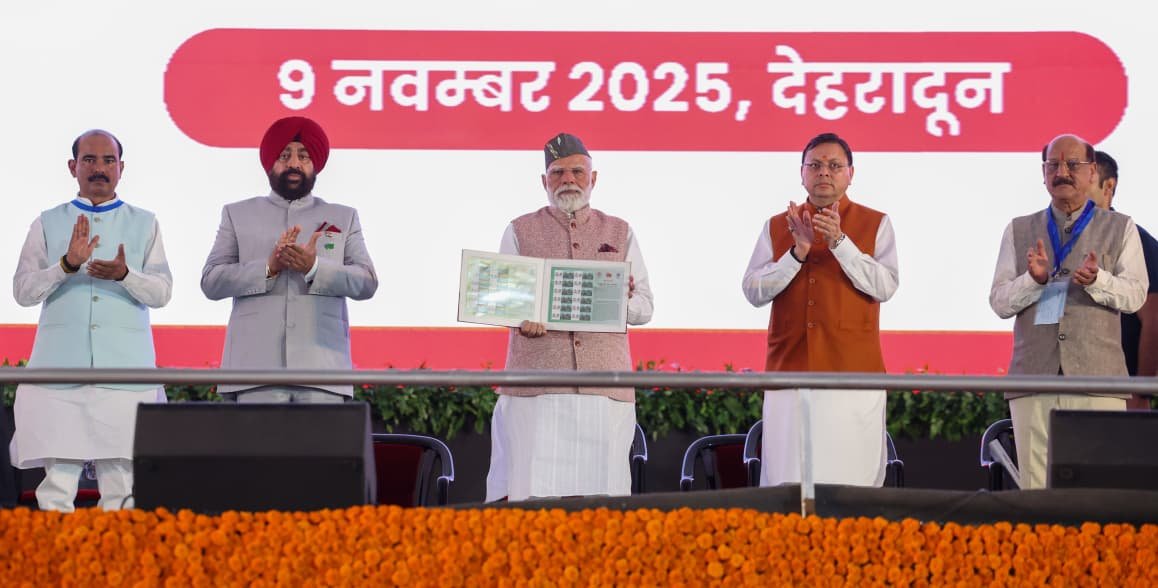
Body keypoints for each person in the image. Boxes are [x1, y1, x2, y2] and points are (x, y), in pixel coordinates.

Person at [485, 132, 654, 502]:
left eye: (578, 171)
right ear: (544, 181)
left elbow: (644, 307)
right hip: (536, 390)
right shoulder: (518, 229)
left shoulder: (620, 231)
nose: (568, 180)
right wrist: (522, 319)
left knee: (603, 501)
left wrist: (612, 302)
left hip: (605, 391)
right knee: (530, 497)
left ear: (594, 178)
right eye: (558, 173)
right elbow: (505, 301)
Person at [10, 130, 172, 511]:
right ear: (73, 167)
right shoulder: (47, 222)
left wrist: (125, 275)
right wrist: (66, 265)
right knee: (56, 489)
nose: (99, 168)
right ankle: (58, 551)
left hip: (125, 375)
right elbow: (23, 292)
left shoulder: (145, 223)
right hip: (59, 374)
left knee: (122, 488)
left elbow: (162, 292)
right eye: (89, 160)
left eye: (108, 160)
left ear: (121, 168)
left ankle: (117, 551)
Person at [989, 134, 1147, 489]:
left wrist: (1098, 280)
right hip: (1033, 378)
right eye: (1053, 165)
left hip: (1099, 381)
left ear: (1092, 173)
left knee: (1098, 489)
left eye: (1073, 164)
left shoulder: (1121, 227)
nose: (1062, 172)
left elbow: (1136, 297)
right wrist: (1032, 280)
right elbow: (999, 301)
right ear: (1043, 173)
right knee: (1035, 489)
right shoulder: (1018, 228)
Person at [742, 132, 899, 487]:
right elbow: (753, 291)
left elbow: (885, 286)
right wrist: (796, 253)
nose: (824, 172)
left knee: (851, 483)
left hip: (853, 377)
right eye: (814, 165)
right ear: (802, 174)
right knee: (788, 480)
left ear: (850, 174)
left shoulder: (876, 223)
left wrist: (840, 243)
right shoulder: (777, 225)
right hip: (789, 373)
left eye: (834, 165)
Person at [201, 116, 377, 402]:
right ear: (270, 162)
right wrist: (268, 268)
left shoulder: (344, 216)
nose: (294, 164)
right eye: (284, 155)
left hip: (323, 372)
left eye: (303, 156)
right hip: (254, 372)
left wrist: (314, 268)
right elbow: (211, 282)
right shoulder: (237, 214)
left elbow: (367, 283)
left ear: (315, 164)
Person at [1086, 151, 1158, 409]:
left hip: (1119, 390)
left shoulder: (1134, 240)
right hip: (1070, 383)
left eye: (1085, 181)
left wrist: (1140, 389)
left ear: (1108, 186)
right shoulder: (1059, 238)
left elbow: (1154, 318)